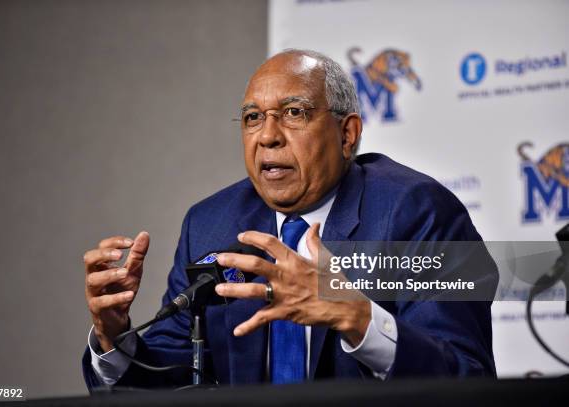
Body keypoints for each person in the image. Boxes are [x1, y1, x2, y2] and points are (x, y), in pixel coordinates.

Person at [81, 49, 497, 389]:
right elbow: (174, 374)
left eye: (294, 113)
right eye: (252, 118)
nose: (267, 135)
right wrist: (113, 336)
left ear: (347, 134)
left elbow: (467, 377)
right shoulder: (210, 224)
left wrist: (355, 316)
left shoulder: (417, 211)